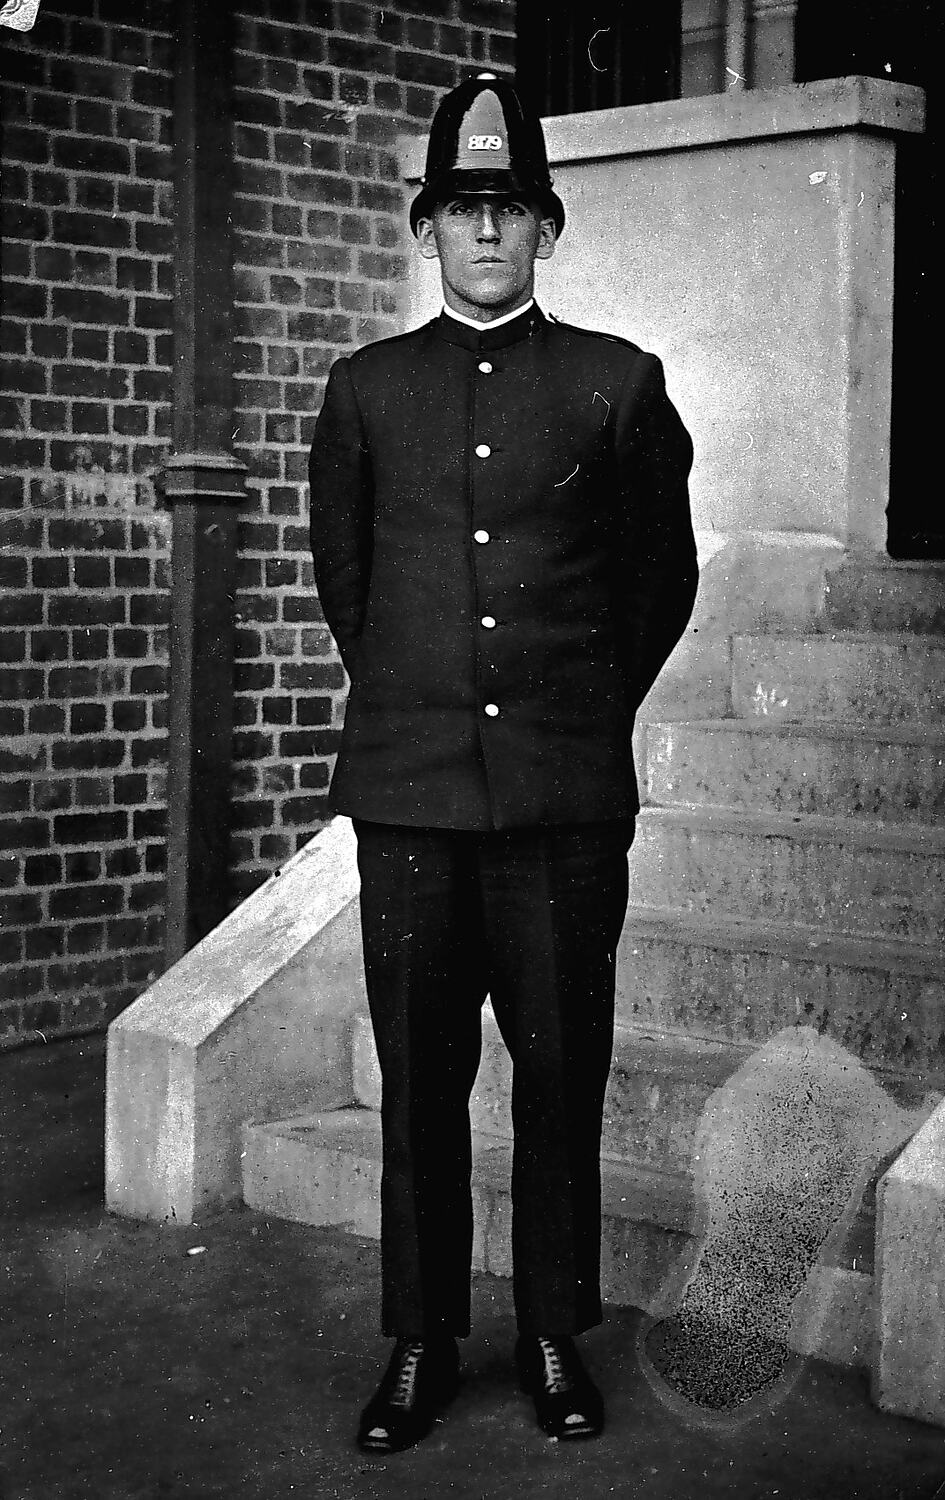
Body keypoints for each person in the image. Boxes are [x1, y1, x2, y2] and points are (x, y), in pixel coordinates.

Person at [308, 72, 698, 1454]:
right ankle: (417, 1341)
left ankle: (547, 1334)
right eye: (462, 209)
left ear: (549, 229)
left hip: (559, 803)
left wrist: (568, 725)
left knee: (555, 1070)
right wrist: (434, 712)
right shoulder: (365, 392)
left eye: (510, 210)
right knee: (418, 1078)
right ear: (426, 231)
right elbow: (347, 586)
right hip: (410, 799)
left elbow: (658, 585)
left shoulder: (613, 384)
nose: (486, 233)